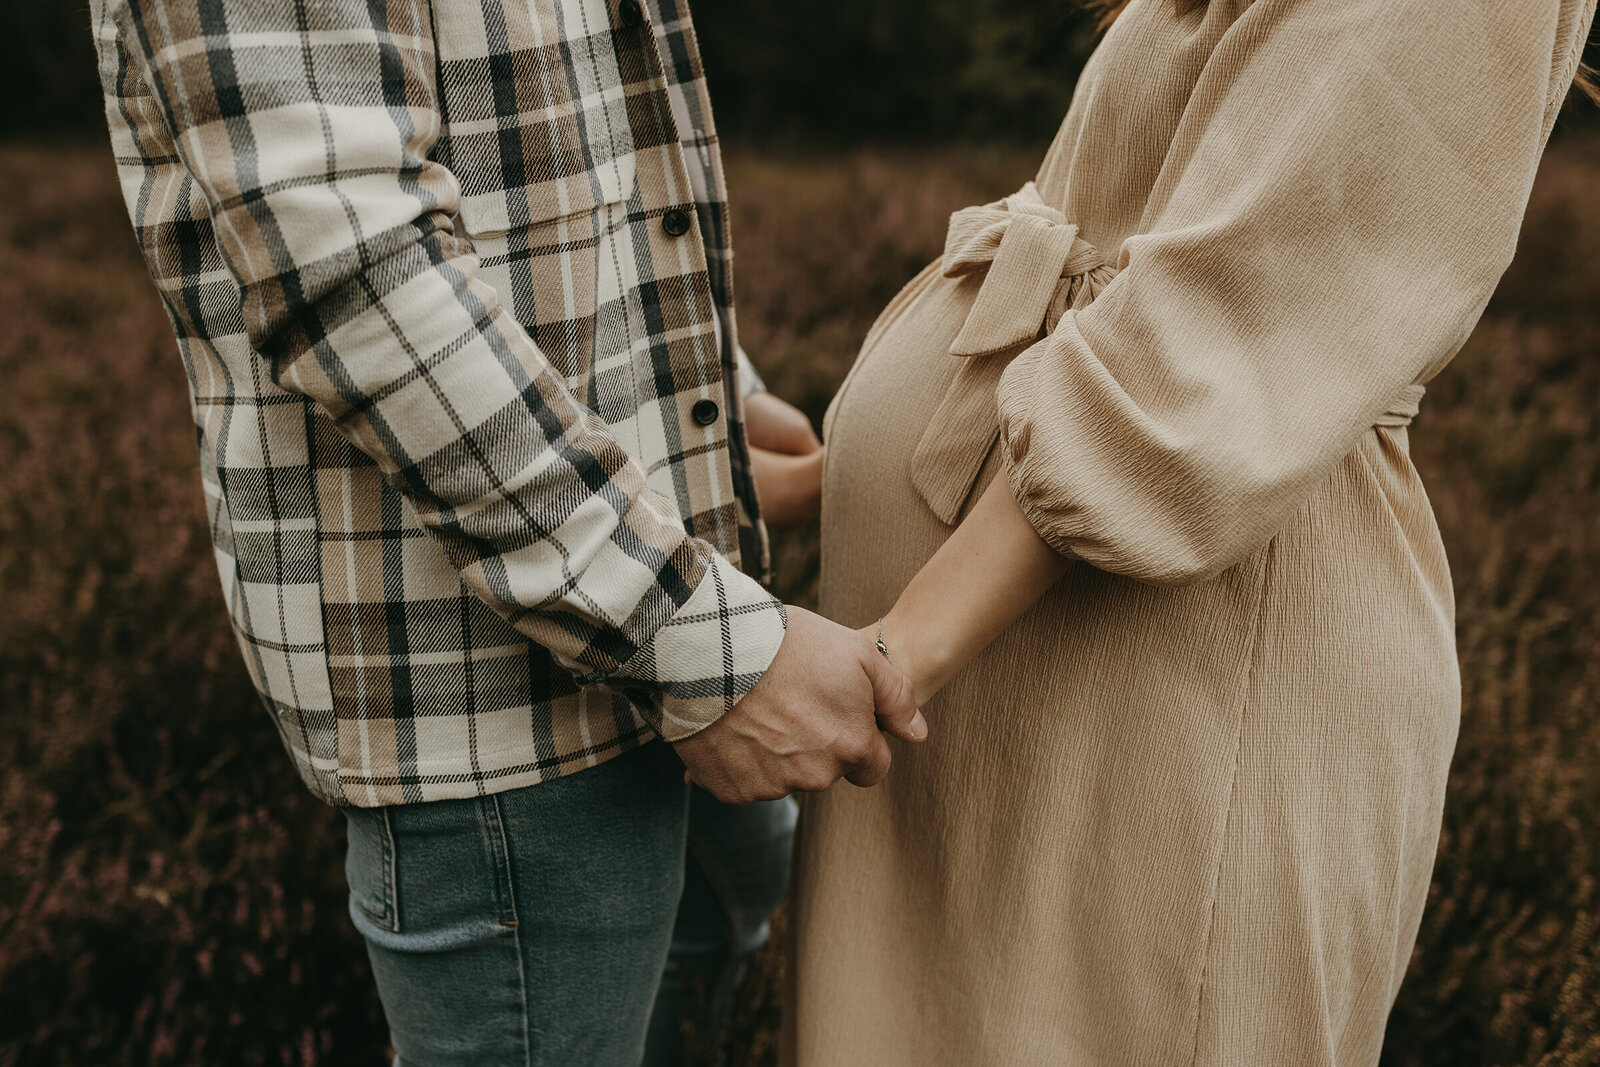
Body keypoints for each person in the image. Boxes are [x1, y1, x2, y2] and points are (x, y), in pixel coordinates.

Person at [87, 0, 922, 1063]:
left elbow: (559, 135)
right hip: (495, 687)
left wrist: (703, 387)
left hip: (669, 567)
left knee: (711, 953)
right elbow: (358, 274)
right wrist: (700, 647)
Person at [788, 0, 1598, 1063]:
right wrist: (821, 474)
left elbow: (1234, 325)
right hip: (1003, 690)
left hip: (1156, 682)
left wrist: (889, 663)